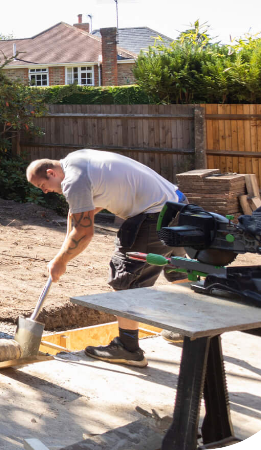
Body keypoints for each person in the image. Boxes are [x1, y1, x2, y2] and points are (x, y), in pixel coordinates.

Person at [26, 150, 188, 367]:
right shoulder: (77, 160)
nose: (45, 192)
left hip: (155, 214)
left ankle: (128, 348)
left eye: (42, 186)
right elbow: (83, 213)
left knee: (126, 279)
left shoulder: (73, 181)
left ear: (50, 173)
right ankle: (189, 328)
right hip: (177, 204)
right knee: (177, 266)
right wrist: (65, 248)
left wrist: (61, 261)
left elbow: (85, 232)